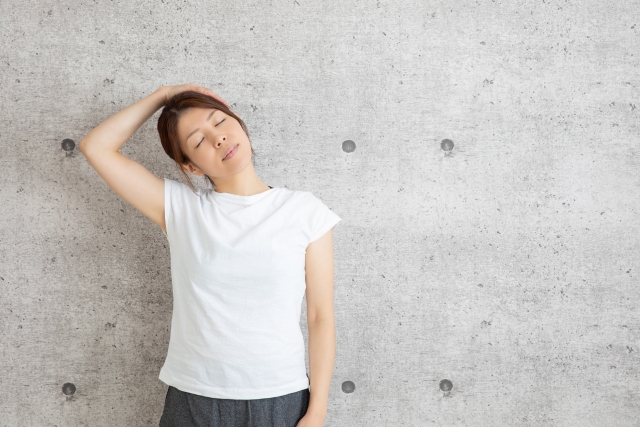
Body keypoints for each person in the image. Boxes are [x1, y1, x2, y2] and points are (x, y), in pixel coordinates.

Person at [78, 84, 341, 427]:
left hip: (281, 397)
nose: (218, 138)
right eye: (199, 141)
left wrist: (317, 411)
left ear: (239, 123)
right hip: (194, 399)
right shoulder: (181, 209)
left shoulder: (304, 210)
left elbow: (321, 317)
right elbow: (95, 147)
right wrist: (164, 94)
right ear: (191, 167)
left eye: (219, 121)